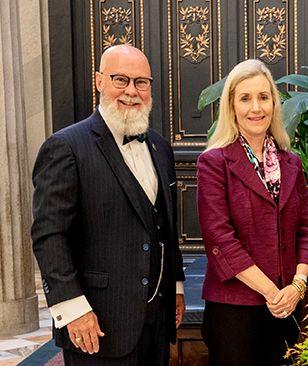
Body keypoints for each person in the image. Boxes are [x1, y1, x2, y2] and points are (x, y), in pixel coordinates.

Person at [31, 45, 186, 364]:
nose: (132, 91)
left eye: (141, 82)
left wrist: (177, 286)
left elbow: (166, 229)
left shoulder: (159, 145)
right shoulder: (66, 147)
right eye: (121, 79)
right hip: (96, 323)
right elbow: (50, 237)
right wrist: (72, 309)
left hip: (155, 322)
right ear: (99, 81)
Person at [196, 59, 308, 366]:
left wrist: (297, 287)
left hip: (287, 307)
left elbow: (307, 229)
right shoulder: (214, 163)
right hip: (235, 310)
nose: (256, 108)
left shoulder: (291, 163)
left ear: (275, 104)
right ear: (232, 106)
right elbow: (219, 239)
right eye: (245, 98)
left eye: (264, 97)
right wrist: (272, 292)